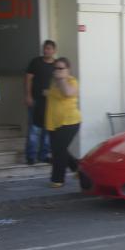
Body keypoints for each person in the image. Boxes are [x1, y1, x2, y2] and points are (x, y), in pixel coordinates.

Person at [45, 57, 81, 188]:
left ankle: (57, 179)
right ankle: (78, 168)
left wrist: (62, 79)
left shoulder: (72, 81)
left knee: (58, 151)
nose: (57, 71)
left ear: (68, 70)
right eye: (56, 68)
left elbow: (67, 93)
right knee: (59, 149)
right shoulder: (52, 82)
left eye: (61, 68)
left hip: (70, 122)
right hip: (54, 122)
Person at [24, 40, 56, 165]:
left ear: (54, 50)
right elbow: (28, 79)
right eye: (45, 48)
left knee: (48, 129)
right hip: (35, 101)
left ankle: (43, 155)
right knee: (34, 128)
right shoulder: (35, 62)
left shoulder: (56, 65)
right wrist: (28, 96)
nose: (46, 50)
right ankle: (31, 156)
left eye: (49, 48)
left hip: (51, 103)